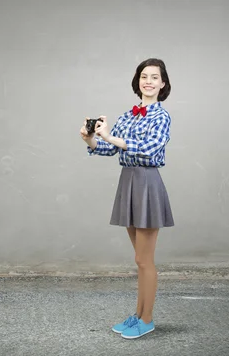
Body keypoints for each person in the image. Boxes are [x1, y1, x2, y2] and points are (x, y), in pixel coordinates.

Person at [79, 58, 174, 339]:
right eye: (144, 76)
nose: (148, 81)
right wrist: (90, 139)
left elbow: (146, 148)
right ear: (138, 81)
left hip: (146, 183)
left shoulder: (162, 116)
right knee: (139, 259)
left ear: (163, 84)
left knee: (145, 260)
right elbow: (108, 149)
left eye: (154, 77)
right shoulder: (129, 114)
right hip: (128, 182)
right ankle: (138, 315)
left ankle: (147, 319)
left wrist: (110, 136)